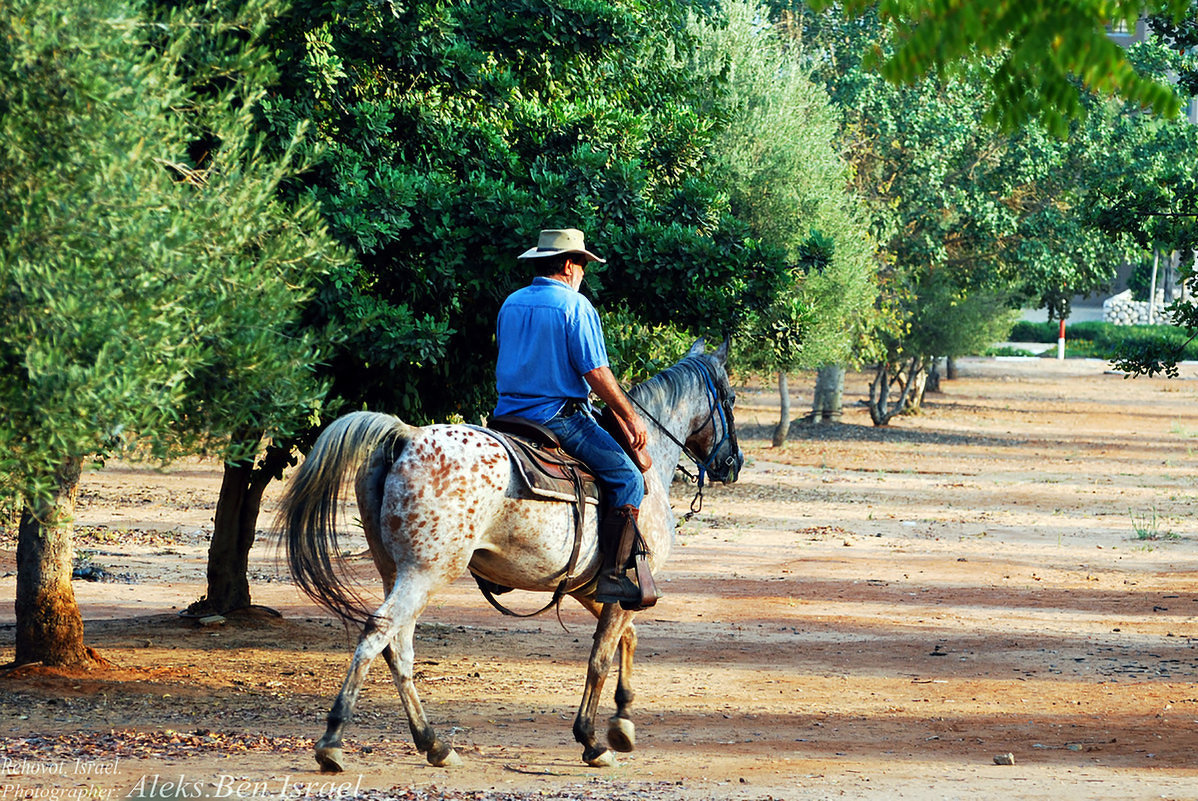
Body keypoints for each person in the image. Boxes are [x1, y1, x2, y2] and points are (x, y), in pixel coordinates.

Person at [494, 228, 657, 609]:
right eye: (583, 265)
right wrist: (629, 416)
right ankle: (615, 576)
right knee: (628, 478)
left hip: (505, 419)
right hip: (557, 418)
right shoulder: (575, 307)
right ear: (569, 265)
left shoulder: (511, 303)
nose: (583, 274)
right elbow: (596, 373)